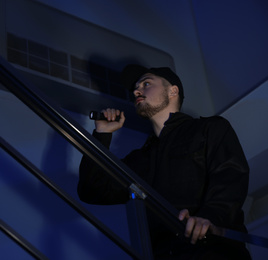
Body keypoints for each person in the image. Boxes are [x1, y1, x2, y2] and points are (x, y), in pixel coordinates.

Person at [77, 64, 252, 259]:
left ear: (172, 91)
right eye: (135, 87)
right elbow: (91, 190)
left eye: (146, 83)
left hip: (213, 251)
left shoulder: (209, 128)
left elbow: (230, 174)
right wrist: (102, 135)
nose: (136, 90)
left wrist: (210, 217)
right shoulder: (139, 158)